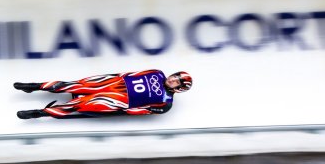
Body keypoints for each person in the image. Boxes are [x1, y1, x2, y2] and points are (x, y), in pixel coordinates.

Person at [14, 69, 192, 119]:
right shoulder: (157, 73)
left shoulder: (166, 103)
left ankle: (39, 113)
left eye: (177, 81)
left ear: (180, 88)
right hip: (116, 82)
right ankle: (35, 86)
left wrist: (123, 108)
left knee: (78, 105)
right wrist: (112, 77)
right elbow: (130, 74)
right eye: (175, 76)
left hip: (121, 100)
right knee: (75, 85)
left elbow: (141, 111)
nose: (173, 79)